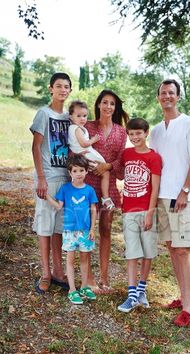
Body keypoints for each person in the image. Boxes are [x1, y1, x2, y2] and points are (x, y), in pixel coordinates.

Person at [149, 79, 190, 327]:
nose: (167, 97)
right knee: (172, 247)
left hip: (181, 196)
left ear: (178, 97)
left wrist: (184, 191)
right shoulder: (155, 131)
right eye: (163, 93)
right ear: (158, 98)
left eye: (171, 93)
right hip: (162, 196)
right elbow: (153, 165)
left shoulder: (189, 124)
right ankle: (184, 297)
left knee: (183, 250)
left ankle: (187, 306)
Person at [30, 72, 72, 294]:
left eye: (66, 87)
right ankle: (45, 273)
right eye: (58, 86)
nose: (62, 90)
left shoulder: (68, 118)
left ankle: (58, 271)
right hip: (48, 177)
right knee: (45, 227)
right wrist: (41, 178)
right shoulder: (43, 114)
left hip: (65, 179)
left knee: (58, 229)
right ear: (51, 89)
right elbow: (36, 147)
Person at [85, 89, 129, 294]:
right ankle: (88, 278)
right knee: (86, 229)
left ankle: (104, 277)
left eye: (112, 103)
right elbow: (77, 150)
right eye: (105, 102)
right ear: (98, 105)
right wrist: (91, 166)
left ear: (115, 107)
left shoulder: (121, 131)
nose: (108, 106)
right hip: (87, 182)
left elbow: (121, 159)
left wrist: (107, 167)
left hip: (108, 185)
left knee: (106, 229)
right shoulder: (88, 126)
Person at [117, 118, 162, 313]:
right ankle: (132, 294)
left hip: (146, 211)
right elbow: (119, 173)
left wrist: (150, 213)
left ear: (146, 133)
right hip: (128, 210)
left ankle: (142, 289)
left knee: (148, 252)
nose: (135, 137)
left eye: (138, 133)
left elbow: (155, 188)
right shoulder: (126, 154)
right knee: (132, 253)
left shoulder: (154, 157)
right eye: (131, 134)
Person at [46, 154, 98, 304]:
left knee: (84, 258)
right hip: (69, 231)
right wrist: (47, 197)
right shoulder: (65, 189)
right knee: (70, 259)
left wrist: (92, 229)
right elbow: (58, 206)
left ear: (87, 171)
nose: (78, 174)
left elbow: (93, 209)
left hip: (85, 231)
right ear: (70, 173)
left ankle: (84, 286)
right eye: (75, 171)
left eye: (81, 170)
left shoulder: (89, 190)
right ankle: (72, 290)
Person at [68, 100, 114, 210]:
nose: (82, 119)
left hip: (83, 154)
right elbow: (83, 144)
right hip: (86, 155)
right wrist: (93, 140)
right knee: (105, 173)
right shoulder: (76, 129)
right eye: (78, 116)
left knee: (101, 172)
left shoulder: (76, 128)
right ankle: (105, 197)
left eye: (84, 115)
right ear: (71, 116)